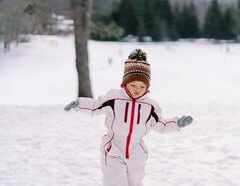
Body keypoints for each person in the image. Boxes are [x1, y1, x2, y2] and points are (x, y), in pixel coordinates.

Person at [64, 49, 193, 186]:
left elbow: (161, 124)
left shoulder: (150, 106)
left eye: (142, 86)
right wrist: (79, 104)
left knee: (135, 183)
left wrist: (177, 123)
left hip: (137, 154)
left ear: (147, 86)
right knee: (115, 182)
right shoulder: (114, 98)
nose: (137, 89)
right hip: (113, 150)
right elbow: (95, 106)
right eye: (133, 85)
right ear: (125, 83)